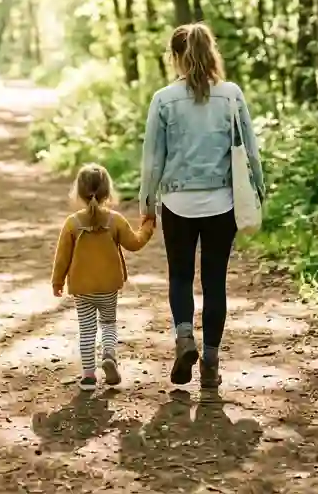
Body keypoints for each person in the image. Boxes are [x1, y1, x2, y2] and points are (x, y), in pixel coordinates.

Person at [139, 22, 265, 389]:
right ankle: (210, 362)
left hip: (177, 202)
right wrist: (259, 189)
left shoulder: (163, 99)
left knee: (179, 276)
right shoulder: (230, 95)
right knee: (214, 282)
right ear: (212, 53)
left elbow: (153, 159)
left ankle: (184, 338)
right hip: (222, 202)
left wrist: (148, 202)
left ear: (175, 57)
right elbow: (250, 151)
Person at [52, 163, 155, 389]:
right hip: (108, 286)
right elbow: (135, 243)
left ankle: (89, 376)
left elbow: (62, 258)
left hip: (82, 288)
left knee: (87, 329)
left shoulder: (72, 224)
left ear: (78, 193)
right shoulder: (115, 220)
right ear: (108, 192)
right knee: (108, 323)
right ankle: (109, 355)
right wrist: (147, 226)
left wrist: (57, 282)